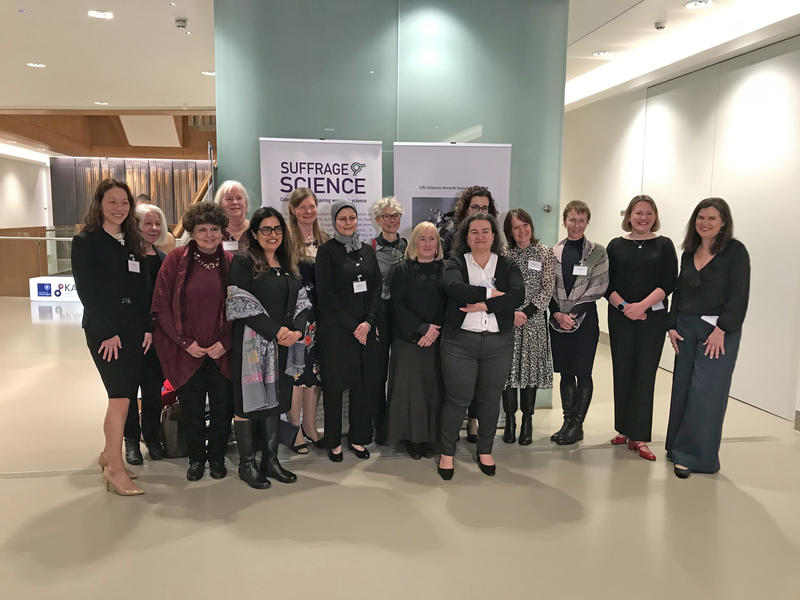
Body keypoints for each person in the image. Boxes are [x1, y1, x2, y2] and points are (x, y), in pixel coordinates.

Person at [71, 178, 151, 496]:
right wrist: (106, 332)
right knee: (119, 398)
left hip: (133, 328)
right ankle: (115, 471)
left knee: (125, 396)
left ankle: (109, 454)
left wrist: (147, 326)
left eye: (124, 202)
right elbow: (86, 290)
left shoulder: (131, 241)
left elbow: (142, 288)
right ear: (99, 204)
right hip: (106, 331)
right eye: (112, 202)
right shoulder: (86, 241)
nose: (119, 208)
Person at [226, 207, 311, 488]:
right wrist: (276, 332)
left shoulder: (288, 264)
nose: (272, 235)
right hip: (251, 348)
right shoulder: (243, 262)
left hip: (284, 346)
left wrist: (297, 330)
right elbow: (241, 305)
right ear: (254, 233)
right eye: (266, 229)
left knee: (276, 401)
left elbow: (302, 301)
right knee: (246, 405)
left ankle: (270, 460)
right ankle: (247, 464)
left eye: (277, 229)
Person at [666, 198, 749, 479]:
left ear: (723, 222)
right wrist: (671, 325)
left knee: (706, 392)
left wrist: (722, 329)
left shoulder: (735, 252)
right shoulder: (689, 252)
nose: (705, 222)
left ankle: (695, 456)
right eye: (701, 217)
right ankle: (676, 447)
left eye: (712, 218)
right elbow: (679, 291)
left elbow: (739, 295)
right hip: (686, 329)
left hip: (718, 333)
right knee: (682, 388)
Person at [151, 202, 234, 482]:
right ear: (192, 232)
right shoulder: (175, 261)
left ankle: (217, 457)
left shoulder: (232, 264)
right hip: (187, 353)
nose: (209, 235)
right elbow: (161, 306)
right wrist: (185, 343)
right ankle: (197, 458)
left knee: (223, 409)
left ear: (222, 231)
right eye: (202, 229)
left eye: (214, 229)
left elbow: (243, 309)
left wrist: (226, 341)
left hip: (221, 352)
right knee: (192, 410)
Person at [438, 214, 524, 479]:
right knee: (457, 399)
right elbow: (453, 288)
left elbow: (517, 295)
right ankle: (447, 454)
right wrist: (491, 294)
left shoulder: (507, 264)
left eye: (485, 231)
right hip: (460, 343)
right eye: (473, 232)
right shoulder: (454, 262)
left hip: (498, 343)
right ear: (466, 237)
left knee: (489, 399)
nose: (480, 237)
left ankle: (485, 450)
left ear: (493, 235)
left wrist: (484, 305)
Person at [605, 196, 677, 461]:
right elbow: (607, 283)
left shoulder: (664, 244)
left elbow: (669, 281)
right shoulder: (615, 245)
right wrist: (625, 307)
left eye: (648, 213)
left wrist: (642, 306)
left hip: (652, 319)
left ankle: (641, 436)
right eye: (638, 213)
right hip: (621, 317)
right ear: (630, 216)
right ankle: (624, 429)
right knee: (622, 371)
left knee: (644, 374)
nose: (643, 218)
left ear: (655, 216)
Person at [315, 200, 382, 461]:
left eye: (352, 218)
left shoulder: (367, 250)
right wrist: (353, 326)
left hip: (365, 329)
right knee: (334, 388)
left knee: (362, 387)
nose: (348, 222)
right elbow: (326, 296)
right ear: (334, 222)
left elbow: (376, 287)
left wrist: (368, 321)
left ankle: (358, 438)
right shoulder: (327, 252)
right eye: (342, 218)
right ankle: (333, 441)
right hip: (337, 333)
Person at [441, 186, 499, 443]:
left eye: (485, 208)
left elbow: (508, 289)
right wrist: (486, 296)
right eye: (475, 207)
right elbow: (450, 281)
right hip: (457, 317)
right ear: (465, 208)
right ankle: (448, 440)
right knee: (457, 388)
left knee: (483, 387)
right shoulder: (449, 235)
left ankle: (474, 422)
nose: (479, 212)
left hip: (487, 324)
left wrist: (486, 301)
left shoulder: (494, 240)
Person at [549, 200, 609, 446]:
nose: (576, 225)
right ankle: (567, 422)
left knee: (583, 372)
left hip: (585, 321)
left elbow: (599, 285)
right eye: (572, 220)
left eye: (581, 220)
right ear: (564, 221)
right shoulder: (552, 252)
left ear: (587, 222)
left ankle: (577, 424)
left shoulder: (598, 252)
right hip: (558, 321)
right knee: (565, 372)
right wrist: (557, 314)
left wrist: (573, 314)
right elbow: (547, 288)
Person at [385, 222, 446, 459]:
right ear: (414, 242)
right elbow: (396, 305)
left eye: (432, 239)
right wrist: (422, 329)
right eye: (423, 239)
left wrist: (434, 331)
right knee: (410, 391)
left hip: (437, 340)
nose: (428, 243)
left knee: (434, 390)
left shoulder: (446, 268)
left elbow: (450, 302)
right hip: (408, 339)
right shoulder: (401, 270)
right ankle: (411, 438)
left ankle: (431, 438)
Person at [501, 209, 556, 445]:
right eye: (516, 227)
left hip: (533, 323)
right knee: (509, 373)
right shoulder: (504, 255)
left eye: (525, 225)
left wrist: (526, 312)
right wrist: (511, 312)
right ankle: (511, 420)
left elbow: (547, 289)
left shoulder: (544, 253)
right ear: (509, 231)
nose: (522, 231)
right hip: (507, 321)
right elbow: (498, 287)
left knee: (530, 373)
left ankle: (528, 421)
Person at [123, 203, 169, 464]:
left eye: (157, 223)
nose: (153, 228)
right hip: (131, 337)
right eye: (147, 223)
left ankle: (152, 438)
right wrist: (142, 328)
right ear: (136, 226)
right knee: (128, 391)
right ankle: (131, 441)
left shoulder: (163, 259)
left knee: (152, 392)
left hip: (157, 338)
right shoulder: (124, 258)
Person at [285, 187, 329, 452]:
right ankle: (295, 430)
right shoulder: (287, 240)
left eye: (311, 206)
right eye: (302, 207)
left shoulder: (324, 239)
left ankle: (311, 427)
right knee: (298, 374)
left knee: (316, 375)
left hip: (322, 316)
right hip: (298, 318)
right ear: (293, 210)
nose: (307, 211)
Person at [369, 196, 408, 445]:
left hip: (405, 315)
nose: (391, 220)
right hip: (380, 314)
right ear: (377, 220)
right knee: (378, 373)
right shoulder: (369, 247)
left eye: (395, 216)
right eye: (386, 216)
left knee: (403, 372)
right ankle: (380, 427)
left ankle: (402, 426)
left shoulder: (410, 246)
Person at [214, 180, 250, 252]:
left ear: (246, 202)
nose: (235, 202)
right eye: (229, 199)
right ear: (219, 204)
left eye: (239, 198)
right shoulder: (214, 232)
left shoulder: (256, 229)